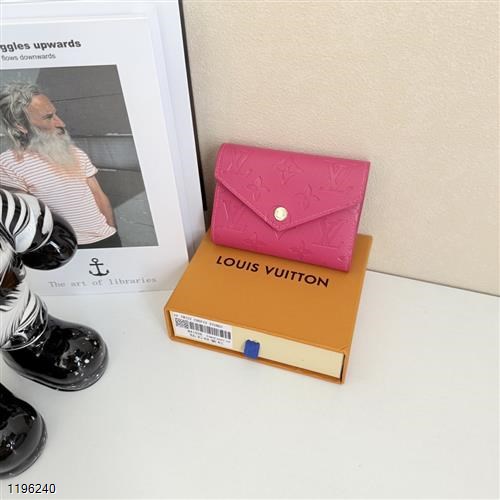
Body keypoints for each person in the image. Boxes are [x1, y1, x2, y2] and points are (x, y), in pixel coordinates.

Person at [0, 81, 121, 248]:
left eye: (55, 114)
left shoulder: (74, 152)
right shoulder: (8, 165)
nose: (61, 123)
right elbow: (26, 219)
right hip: (64, 249)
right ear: (20, 126)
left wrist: (112, 231)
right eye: (48, 117)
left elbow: (98, 195)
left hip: (107, 239)